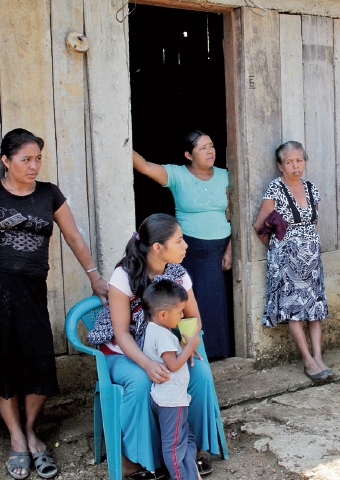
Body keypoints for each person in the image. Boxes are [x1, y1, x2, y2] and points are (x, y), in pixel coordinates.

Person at [0, 128, 109, 480]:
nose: (34, 166)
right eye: (26, 159)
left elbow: (74, 237)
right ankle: (17, 439)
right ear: (6, 161)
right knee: (4, 364)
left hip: (32, 292)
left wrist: (94, 277)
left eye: (38, 159)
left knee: (39, 361)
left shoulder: (49, 194)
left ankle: (30, 430)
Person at [87, 213, 221, 479]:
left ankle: (188, 453)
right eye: (179, 241)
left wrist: (187, 342)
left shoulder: (177, 273)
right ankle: (135, 460)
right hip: (122, 351)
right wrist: (147, 364)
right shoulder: (124, 275)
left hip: (163, 346)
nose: (185, 246)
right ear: (158, 247)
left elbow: (193, 317)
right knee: (141, 381)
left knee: (199, 374)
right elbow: (121, 333)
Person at [133, 130, 232, 359]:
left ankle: (217, 354)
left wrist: (231, 248)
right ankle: (189, 352)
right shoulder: (177, 175)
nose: (210, 151)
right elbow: (145, 167)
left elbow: (238, 212)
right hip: (188, 251)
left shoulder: (226, 175)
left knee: (217, 304)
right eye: (202, 148)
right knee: (188, 304)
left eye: (211, 145)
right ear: (188, 154)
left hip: (219, 251)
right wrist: (121, 141)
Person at [253, 141, 331, 383]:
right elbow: (259, 225)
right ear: (280, 165)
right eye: (289, 162)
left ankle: (319, 358)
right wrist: (280, 248)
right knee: (295, 309)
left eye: (299, 160)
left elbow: (312, 222)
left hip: (312, 259)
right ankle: (308, 361)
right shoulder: (275, 189)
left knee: (315, 309)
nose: (295, 166)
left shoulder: (311, 188)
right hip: (287, 260)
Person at [142, 280, 202, 480]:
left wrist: (184, 346)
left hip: (171, 398)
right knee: (174, 445)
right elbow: (173, 364)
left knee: (186, 438)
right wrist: (190, 346)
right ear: (162, 315)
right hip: (171, 401)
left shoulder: (155, 329)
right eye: (179, 312)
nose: (182, 316)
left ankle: (192, 474)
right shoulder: (163, 335)